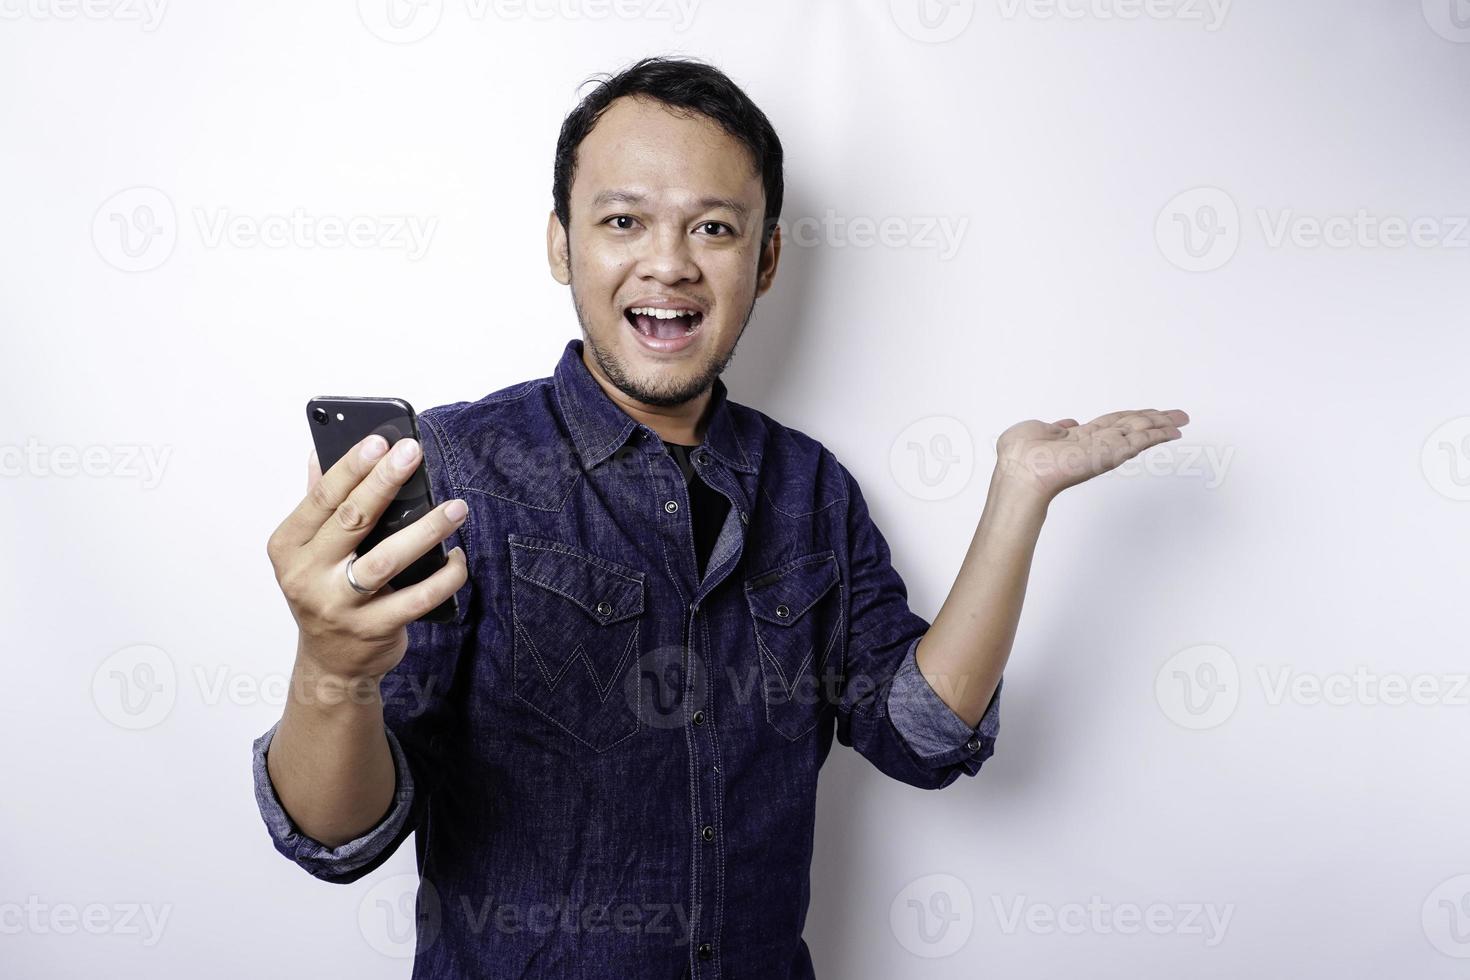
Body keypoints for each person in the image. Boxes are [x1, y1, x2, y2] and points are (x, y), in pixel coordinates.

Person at [253, 55, 1190, 979]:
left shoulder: (812, 489)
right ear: (560, 243)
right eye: (623, 220)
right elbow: (341, 834)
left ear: (766, 257)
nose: (669, 263)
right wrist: (329, 664)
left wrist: (1019, 495)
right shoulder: (450, 473)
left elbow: (921, 736)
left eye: (713, 228)